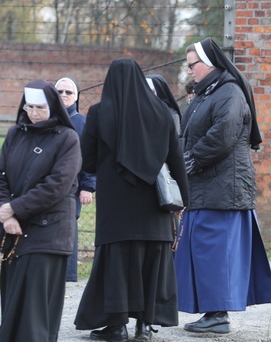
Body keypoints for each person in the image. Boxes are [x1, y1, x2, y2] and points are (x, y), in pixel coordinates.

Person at [74, 59, 189, 342]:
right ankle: (145, 326)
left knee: (117, 264)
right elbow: (176, 159)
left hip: (116, 207)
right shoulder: (162, 112)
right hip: (154, 207)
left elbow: (87, 161)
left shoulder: (99, 113)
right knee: (152, 263)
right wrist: (184, 198)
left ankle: (116, 327)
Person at [176, 38, 271, 334]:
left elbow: (223, 134)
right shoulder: (207, 93)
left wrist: (191, 160)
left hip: (224, 189)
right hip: (206, 186)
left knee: (216, 253)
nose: (189, 71)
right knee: (205, 251)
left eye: (192, 64)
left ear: (209, 64)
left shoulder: (229, 91)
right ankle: (210, 311)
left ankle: (218, 315)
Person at [0, 80, 81, 341]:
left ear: (52, 107)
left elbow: (57, 186)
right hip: (14, 230)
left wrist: (14, 209)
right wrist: (3, 211)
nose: (33, 113)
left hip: (49, 233)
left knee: (35, 313)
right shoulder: (16, 134)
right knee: (12, 304)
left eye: (40, 107)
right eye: (29, 107)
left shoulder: (68, 139)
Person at [54, 77, 95, 283]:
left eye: (68, 92)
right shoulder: (49, 118)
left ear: (76, 96)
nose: (63, 96)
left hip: (74, 185)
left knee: (68, 225)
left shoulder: (81, 122)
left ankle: (68, 274)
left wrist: (88, 186)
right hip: (50, 184)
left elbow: (90, 157)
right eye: (59, 91)